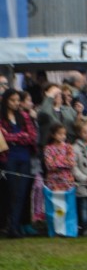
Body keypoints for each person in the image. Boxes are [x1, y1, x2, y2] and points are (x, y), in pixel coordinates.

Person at [1, 89, 38, 238]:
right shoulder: (2, 118)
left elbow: (31, 137)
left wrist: (14, 137)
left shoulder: (24, 116)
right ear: (6, 101)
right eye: (12, 100)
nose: (16, 103)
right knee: (12, 192)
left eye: (17, 100)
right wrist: (20, 136)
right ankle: (11, 225)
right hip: (8, 157)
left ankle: (15, 226)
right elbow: (3, 138)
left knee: (22, 193)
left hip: (24, 157)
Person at [43, 123, 76, 193]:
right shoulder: (48, 148)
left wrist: (55, 160)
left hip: (67, 182)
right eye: (60, 134)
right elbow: (50, 166)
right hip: (53, 183)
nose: (63, 136)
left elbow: (71, 163)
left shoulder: (68, 147)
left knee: (67, 202)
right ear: (53, 135)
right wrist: (64, 161)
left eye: (64, 134)